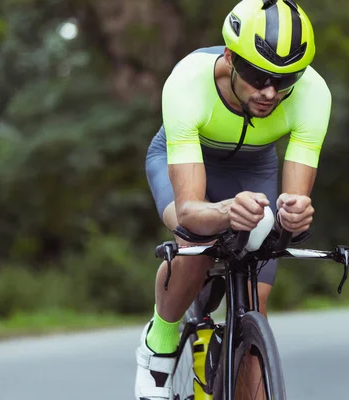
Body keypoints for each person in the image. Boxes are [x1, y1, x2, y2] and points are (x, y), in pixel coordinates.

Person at [135, 0, 331, 398]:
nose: (270, 92)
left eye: (286, 78)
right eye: (257, 75)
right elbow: (190, 210)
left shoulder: (313, 93)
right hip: (188, 159)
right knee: (196, 245)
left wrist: (294, 216)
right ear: (229, 57)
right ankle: (161, 341)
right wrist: (226, 210)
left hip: (253, 167)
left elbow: (293, 201)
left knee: (256, 299)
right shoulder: (188, 82)